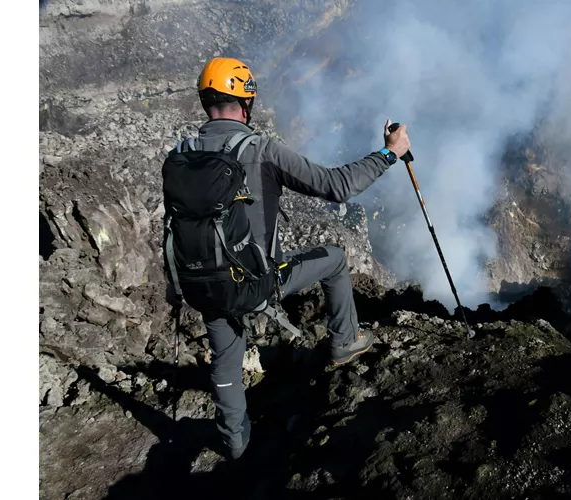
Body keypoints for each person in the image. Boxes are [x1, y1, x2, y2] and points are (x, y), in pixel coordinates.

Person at [163, 56, 411, 459]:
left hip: (200, 285)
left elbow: (173, 227)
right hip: (258, 283)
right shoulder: (261, 150)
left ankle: (236, 444)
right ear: (247, 102)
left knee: (225, 359)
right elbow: (337, 186)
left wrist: (174, 285)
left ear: (206, 100)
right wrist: (389, 153)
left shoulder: (179, 155)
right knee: (333, 257)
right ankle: (345, 341)